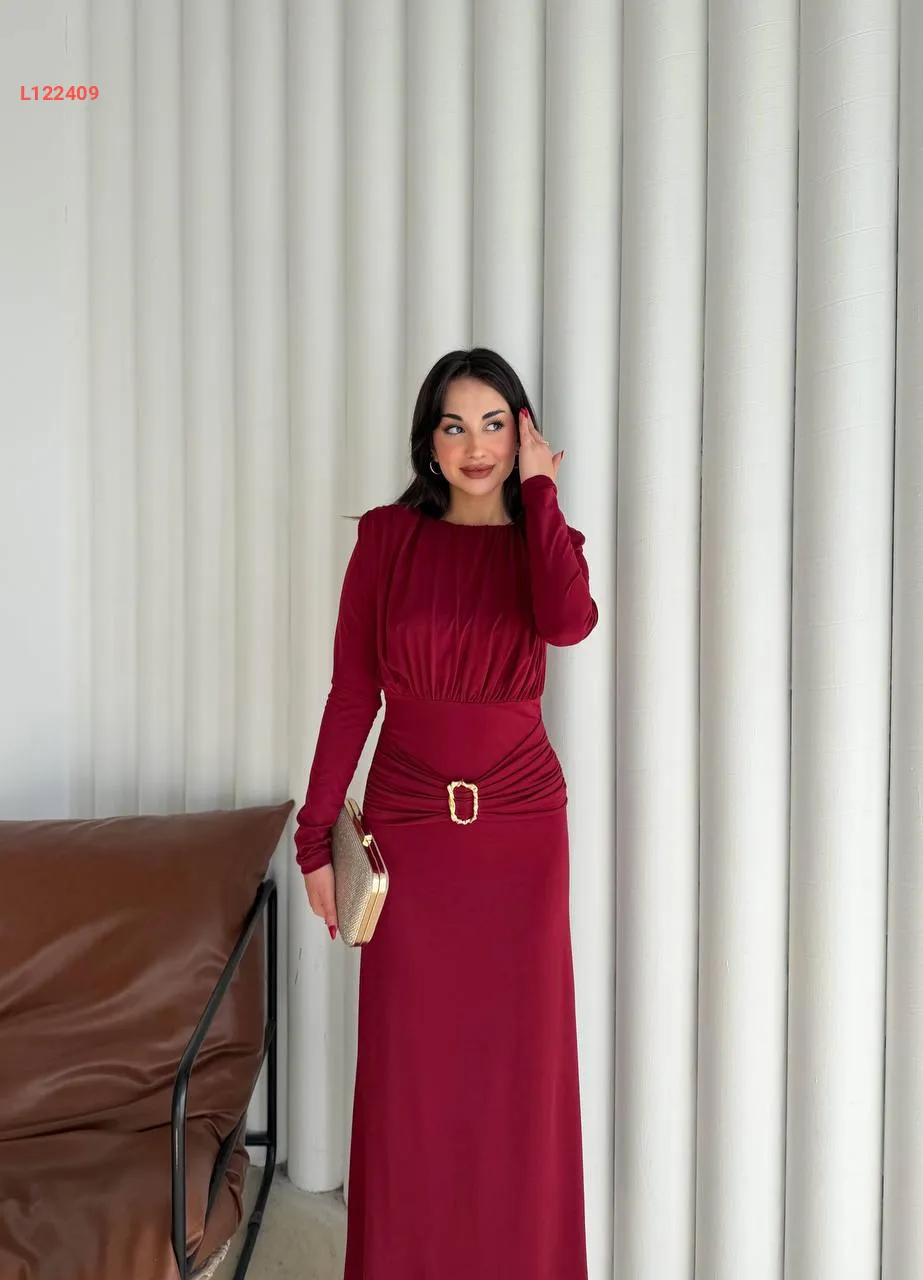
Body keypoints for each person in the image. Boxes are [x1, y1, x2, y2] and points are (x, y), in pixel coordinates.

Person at [294, 346, 598, 1280]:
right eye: (454, 425)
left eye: (494, 424)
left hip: (520, 838)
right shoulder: (386, 539)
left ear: (523, 435)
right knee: (413, 1075)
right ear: (427, 441)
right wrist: (313, 839)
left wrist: (541, 497)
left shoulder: (544, 540)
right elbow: (353, 694)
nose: (474, 446)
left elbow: (569, 623)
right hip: (409, 840)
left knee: (517, 1075)